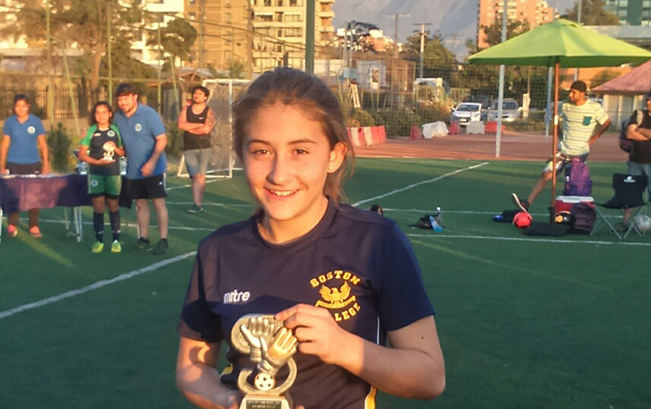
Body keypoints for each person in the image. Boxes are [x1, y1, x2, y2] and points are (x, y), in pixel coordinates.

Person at [176, 68, 445, 409]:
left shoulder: (375, 242)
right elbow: (191, 365)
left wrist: (342, 346)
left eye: (300, 151)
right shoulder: (217, 251)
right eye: (261, 151)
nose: (279, 173)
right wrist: (229, 402)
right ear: (241, 154)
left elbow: (430, 376)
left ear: (334, 155)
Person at [512, 80, 611, 211]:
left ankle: (572, 212)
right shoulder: (564, 106)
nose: (570, 95)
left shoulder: (594, 108)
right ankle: (527, 203)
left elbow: (607, 122)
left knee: (572, 183)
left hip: (580, 153)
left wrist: (595, 136)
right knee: (546, 174)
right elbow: (556, 118)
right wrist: (558, 131)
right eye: (570, 91)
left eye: (574, 92)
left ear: (583, 94)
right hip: (563, 150)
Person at [113, 83, 170, 255]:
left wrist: (152, 162)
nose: (123, 102)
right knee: (140, 203)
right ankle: (143, 238)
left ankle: (163, 240)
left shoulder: (148, 114)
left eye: (126, 98)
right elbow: (121, 146)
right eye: (120, 99)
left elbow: (162, 140)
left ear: (134, 97)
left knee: (158, 202)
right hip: (133, 170)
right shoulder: (118, 118)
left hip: (154, 169)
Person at [0, 94, 50, 238]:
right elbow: (4, 144)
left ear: (28, 107)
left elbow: (43, 145)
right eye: (17, 106)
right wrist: (1, 166)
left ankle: (34, 226)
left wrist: (46, 164)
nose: (20, 109)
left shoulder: (36, 121)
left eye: (23, 106)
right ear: (14, 107)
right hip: (13, 163)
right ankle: (12, 224)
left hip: (33, 163)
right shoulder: (10, 122)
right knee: (14, 195)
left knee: (33, 195)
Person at [78, 101, 125, 253]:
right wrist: (96, 162)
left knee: (113, 206)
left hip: (113, 173)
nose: (101, 115)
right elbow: (82, 154)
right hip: (96, 174)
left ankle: (116, 240)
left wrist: (115, 148)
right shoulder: (91, 131)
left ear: (110, 114)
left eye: (104, 112)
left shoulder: (116, 130)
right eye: (98, 112)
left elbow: (123, 152)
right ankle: (99, 241)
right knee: (98, 207)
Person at [178, 85, 216, 214]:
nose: (197, 95)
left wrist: (190, 128)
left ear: (205, 97)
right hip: (189, 147)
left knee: (201, 176)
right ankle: (197, 203)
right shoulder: (186, 109)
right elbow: (181, 124)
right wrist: (197, 126)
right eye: (195, 93)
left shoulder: (209, 111)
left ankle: (199, 202)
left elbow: (207, 129)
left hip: (204, 146)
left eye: (200, 94)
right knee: (195, 176)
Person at [620, 90, 651, 229]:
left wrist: (640, 130)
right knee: (631, 193)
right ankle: (625, 223)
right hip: (635, 161)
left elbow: (635, 131)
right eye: (648, 99)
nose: (648, 102)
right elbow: (629, 133)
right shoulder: (638, 114)